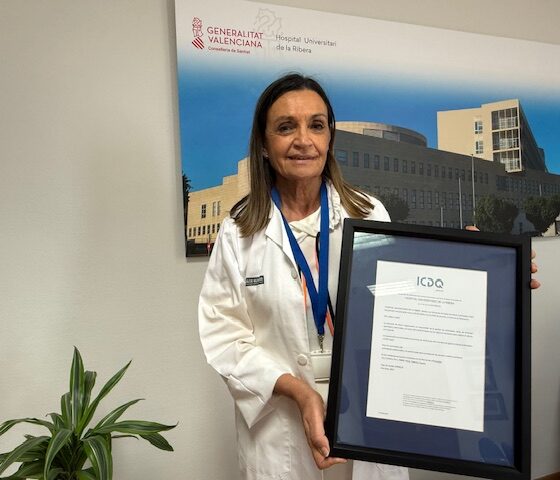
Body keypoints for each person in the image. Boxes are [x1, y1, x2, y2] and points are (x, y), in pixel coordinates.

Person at [198, 73, 539, 480]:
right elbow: (224, 335)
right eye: (286, 127)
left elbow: (400, 297)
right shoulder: (238, 232)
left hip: (371, 416)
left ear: (329, 137)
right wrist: (299, 391)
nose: (304, 140)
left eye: (316, 125)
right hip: (281, 429)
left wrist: (475, 264)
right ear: (264, 145)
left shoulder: (368, 213)